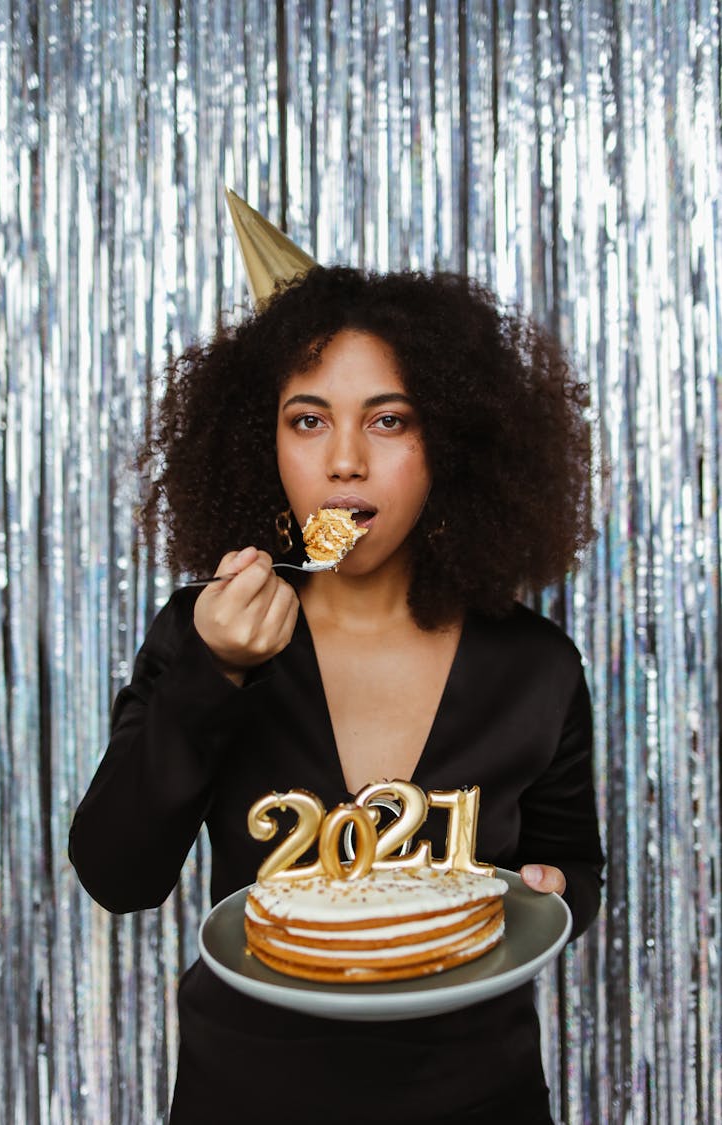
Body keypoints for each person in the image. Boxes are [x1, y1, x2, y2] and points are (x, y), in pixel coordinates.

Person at [69, 265, 604, 1124]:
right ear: (261, 443)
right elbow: (117, 872)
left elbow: (572, 862)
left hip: (479, 1097)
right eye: (308, 420)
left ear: (453, 443)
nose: (345, 460)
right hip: (243, 1097)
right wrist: (214, 673)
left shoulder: (534, 665)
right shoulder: (204, 631)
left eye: (389, 420)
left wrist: (557, 891)